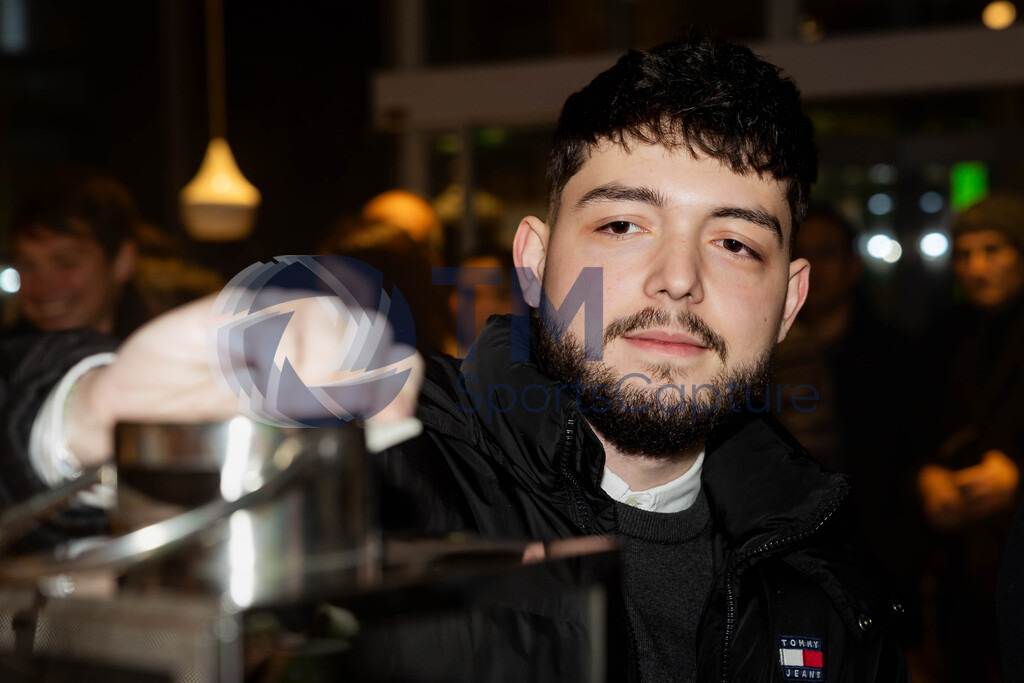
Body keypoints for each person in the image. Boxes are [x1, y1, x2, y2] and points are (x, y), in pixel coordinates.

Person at [7, 36, 907, 681]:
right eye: (624, 224)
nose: (677, 281)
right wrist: (88, 418)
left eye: (736, 244)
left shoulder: (825, 559)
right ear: (531, 262)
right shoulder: (393, 467)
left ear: (789, 300)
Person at [917, 192, 1024, 682]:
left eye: (993, 250)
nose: (977, 267)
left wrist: (1018, 479)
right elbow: (914, 430)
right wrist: (927, 477)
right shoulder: (944, 335)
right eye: (964, 254)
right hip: (960, 567)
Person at [8, 167, 147, 339]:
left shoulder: (168, 355)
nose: (43, 287)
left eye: (66, 263)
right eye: (27, 266)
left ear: (122, 261)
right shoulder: (11, 361)